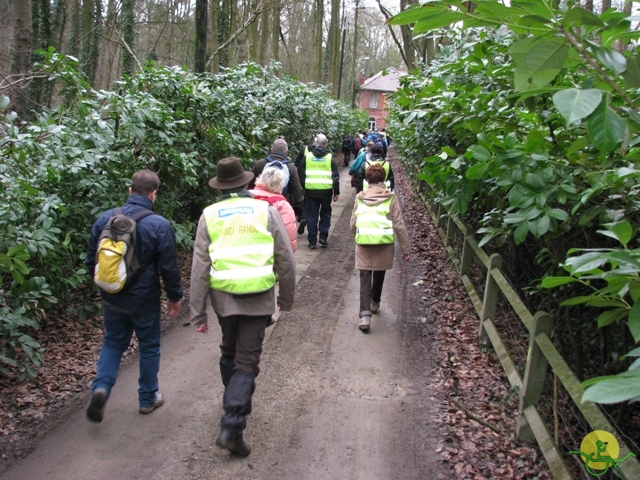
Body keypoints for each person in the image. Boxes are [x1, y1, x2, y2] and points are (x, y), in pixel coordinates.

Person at [189, 157, 296, 457]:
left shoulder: (208, 215)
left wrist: (197, 313)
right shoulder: (265, 211)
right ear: (247, 183)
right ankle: (233, 422)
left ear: (220, 187)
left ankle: (235, 397)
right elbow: (285, 259)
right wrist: (286, 298)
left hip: (224, 301)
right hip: (259, 297)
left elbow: (199, 268)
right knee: (246, 361)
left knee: (229, 351)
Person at [85, 169, 183, 423]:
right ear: (154, 194)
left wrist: (105, 289)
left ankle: (101, 387)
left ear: (130, 191)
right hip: (145, 301)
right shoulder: (159, 225)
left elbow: (90, 260)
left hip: (112, 298)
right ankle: (147, 398)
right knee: (149, 346)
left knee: (113, 342)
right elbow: (169, 268)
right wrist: (175, 297)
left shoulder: (105, 219)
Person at [350, 163, 411, 333]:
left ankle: (365, 316)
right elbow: (399, 225)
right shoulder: (391, 198)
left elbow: (353, 221)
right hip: (383, 242)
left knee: (364, 276)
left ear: (367, 180)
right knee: (379, 272)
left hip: (364, 242)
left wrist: (355, 232)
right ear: (383, 179)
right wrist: (406, 249)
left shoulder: (360, 197)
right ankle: (375, 302)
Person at [296, 133, 340, 249]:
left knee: (311, 215)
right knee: (325, 214)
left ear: (316, 144)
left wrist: (304, 187)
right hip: (326, 191)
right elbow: (335, 177)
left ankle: (312, 240)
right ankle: (323, 236)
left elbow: (301, 173)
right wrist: (336, 192)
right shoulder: (330, 157)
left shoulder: (308, 156)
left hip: (310, 191)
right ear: (326, 145)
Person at [250, 139, 304, 216]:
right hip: (282, 206)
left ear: (271, 149)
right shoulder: (290, 167)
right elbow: (296, 190)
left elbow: (252, 185)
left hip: (261, 205)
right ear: (286, 151)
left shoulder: (260, 164)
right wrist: (298, 205)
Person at [250, 165, 298, 252]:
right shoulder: (283, 205)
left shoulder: (247, 197)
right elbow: (288, 234)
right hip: (268, 252)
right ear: (281, 184)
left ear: (260, 179)